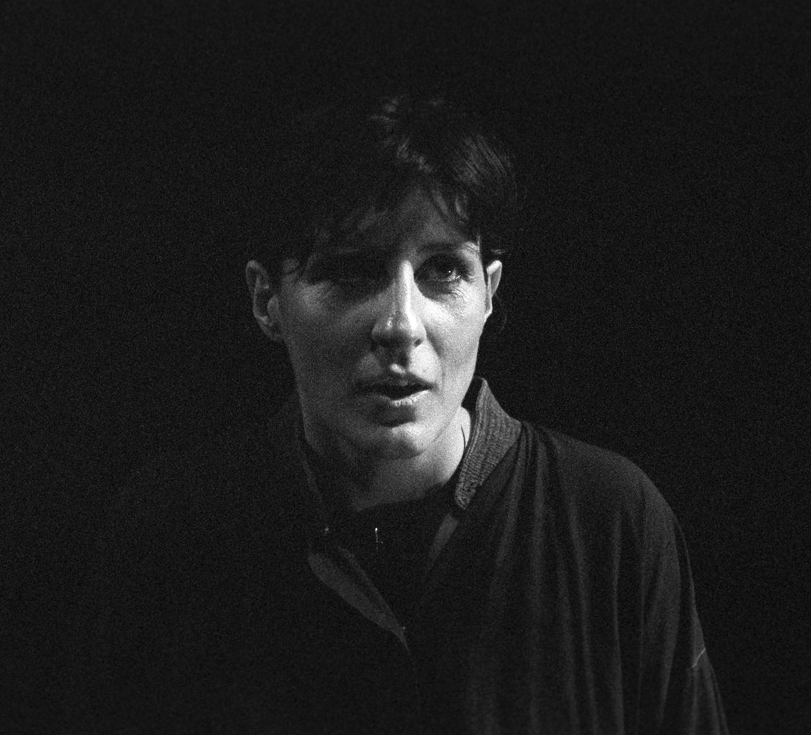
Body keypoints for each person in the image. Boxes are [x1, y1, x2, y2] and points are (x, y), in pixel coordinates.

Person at [78, 91, 728, 734]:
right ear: (266, 299)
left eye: (443, 269)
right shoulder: (171, 534)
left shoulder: (612, 521)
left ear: (489, 294)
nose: (401, 325)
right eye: (351, 270)